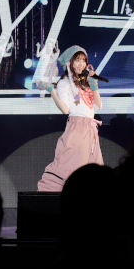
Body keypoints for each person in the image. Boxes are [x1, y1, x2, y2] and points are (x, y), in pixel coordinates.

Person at [36, 45, 103, 191]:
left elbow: (98, 106)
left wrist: (95, 86)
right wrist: (52, 90)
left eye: (84, 60)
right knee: (72, 168)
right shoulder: (65, 82)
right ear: (69, 63)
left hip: (90, 129)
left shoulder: (86, 83)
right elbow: (65, 109)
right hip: (77, 128)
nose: (81, 64)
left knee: (92, 170)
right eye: (77, 60)